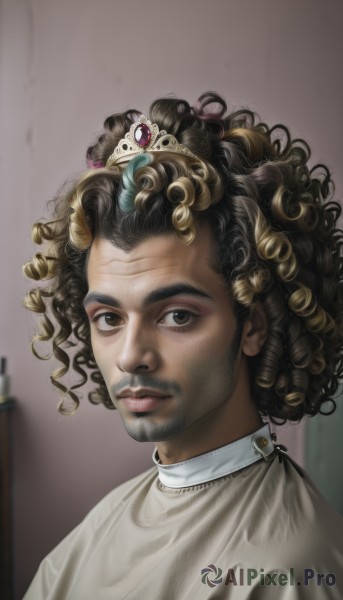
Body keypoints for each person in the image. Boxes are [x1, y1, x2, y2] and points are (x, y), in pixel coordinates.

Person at [23, 92, 343, 599]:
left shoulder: (292, 571)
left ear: (254, 324)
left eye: (176, 315)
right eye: (108, 317)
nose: (130, 355)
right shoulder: (87, 539)